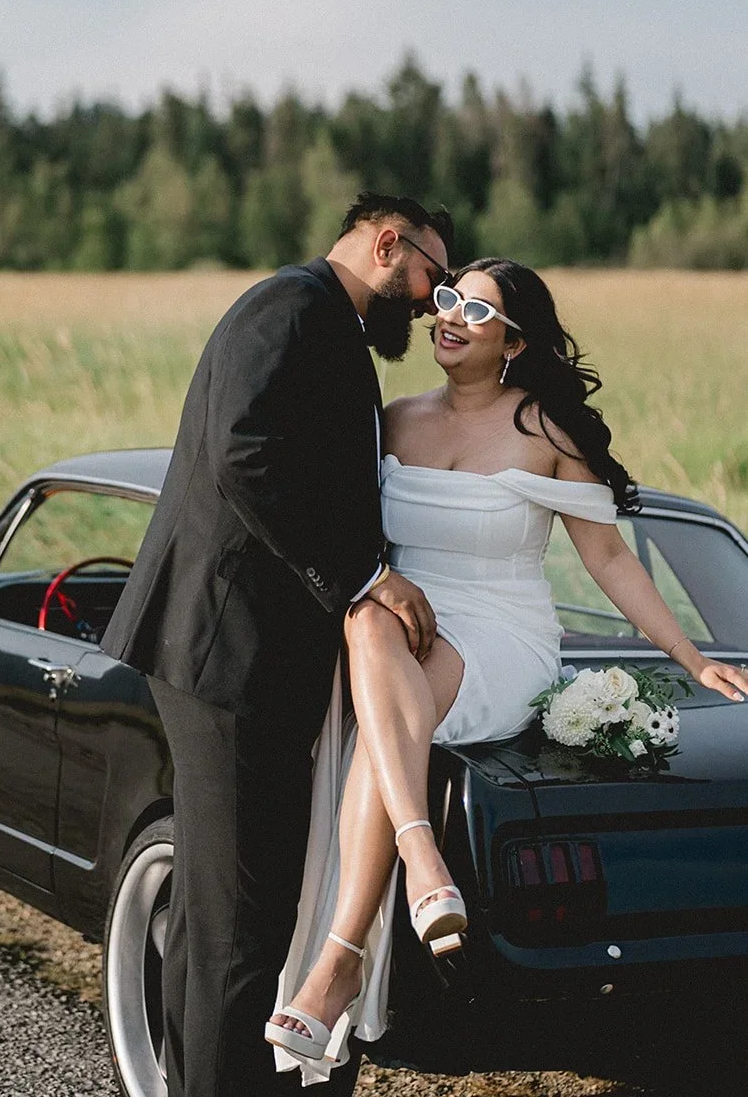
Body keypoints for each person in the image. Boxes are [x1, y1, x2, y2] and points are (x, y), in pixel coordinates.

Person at [267, 257, 748, 1082]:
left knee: (382, 712)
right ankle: (418, 866)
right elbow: (339, 531)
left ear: (515, 343)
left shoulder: (546, 432)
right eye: (447, 300)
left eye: (477, 311)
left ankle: (340, 957)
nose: (449, 317)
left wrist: (689, 657)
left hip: (500, 633)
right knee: (367, 621)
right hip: (404, 624)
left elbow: (608, 558)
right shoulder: (395, 419)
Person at [101, 194, 453, 1097]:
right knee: (241, 924)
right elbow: (244, 452)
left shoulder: (322, 320)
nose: (431, 301)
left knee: (217, 915)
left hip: (239, 654)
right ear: (388, 243)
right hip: (229, 652)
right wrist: (365, 577)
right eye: (431, 275)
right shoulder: (291, 307)